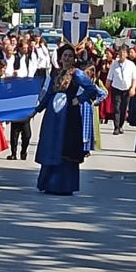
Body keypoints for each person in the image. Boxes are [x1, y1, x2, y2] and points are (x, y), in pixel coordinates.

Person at [35, 44, 99, 195]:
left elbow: (92, 89)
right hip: (53, 115)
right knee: (52, 144)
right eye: (65, 56)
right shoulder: (56, 73)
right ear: (60, 57)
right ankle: (48, 183)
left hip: (68, 115)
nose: (67, 58)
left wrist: (79, 99)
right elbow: (49, 94)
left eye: (70, 56)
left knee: (64, 147)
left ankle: (63, 185)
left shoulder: (76, 74)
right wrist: (36, 110)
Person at [5, 40, 36, 160]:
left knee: (27, 133)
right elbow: (8, 71)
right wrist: (13, 74)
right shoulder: (14, 58)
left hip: (26, 91)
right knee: (15, 129)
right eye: (24, 48)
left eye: (27, 48)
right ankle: (13, 152)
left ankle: (24, 151)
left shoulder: (29, 58)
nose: (26, 50)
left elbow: (33, 71)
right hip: (16, 89)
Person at [107, 46, 136, 135]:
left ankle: (121, 125)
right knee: (116, 108)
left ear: (127, 54)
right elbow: (109, 77)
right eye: (120, 53)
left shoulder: (131, 65)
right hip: (116, 88)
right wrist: (107, 86)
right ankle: (116, 127)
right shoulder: (114, 64)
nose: (122, 54)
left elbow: (135, 78)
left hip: (127, 89)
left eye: (124, 53)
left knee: (123, 108)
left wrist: (133, 88)